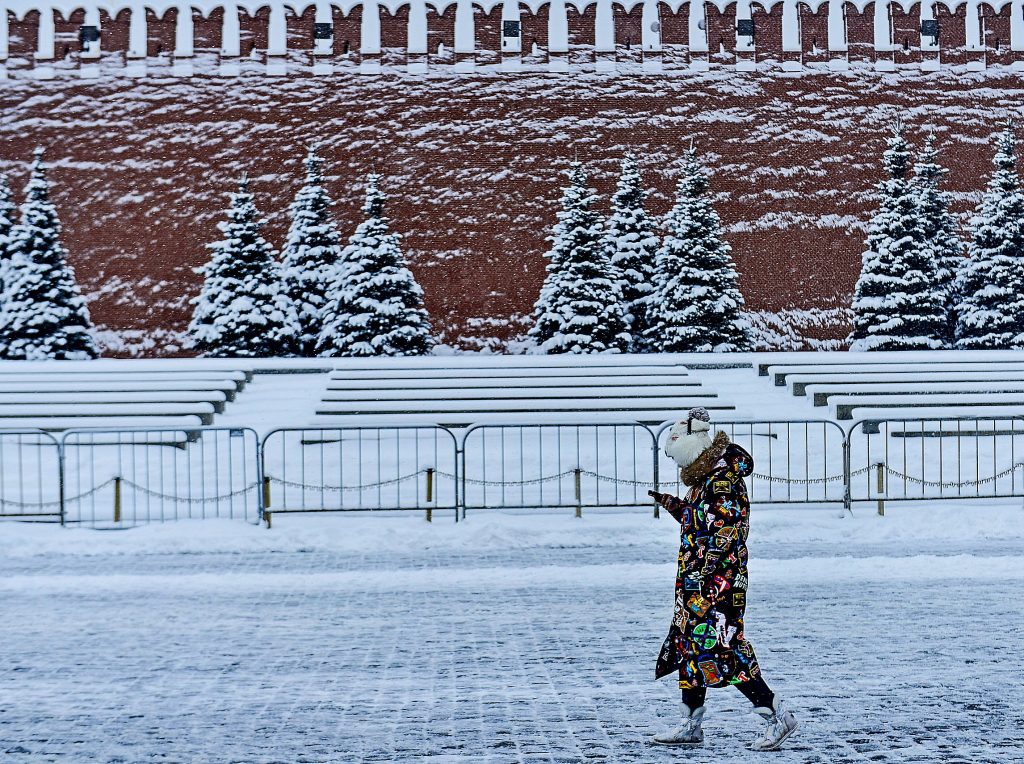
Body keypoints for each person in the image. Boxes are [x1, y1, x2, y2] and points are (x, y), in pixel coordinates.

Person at [647, 407, 798, 751]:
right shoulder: (706, 478)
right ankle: (691, 722)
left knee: (723, 649)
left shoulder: (722, 479)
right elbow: (703, 520)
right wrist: (674, 505)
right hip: (695, 580)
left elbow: (726, 530)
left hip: (717, 583)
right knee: (688, 645)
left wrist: (705, 572)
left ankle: (777, 714)